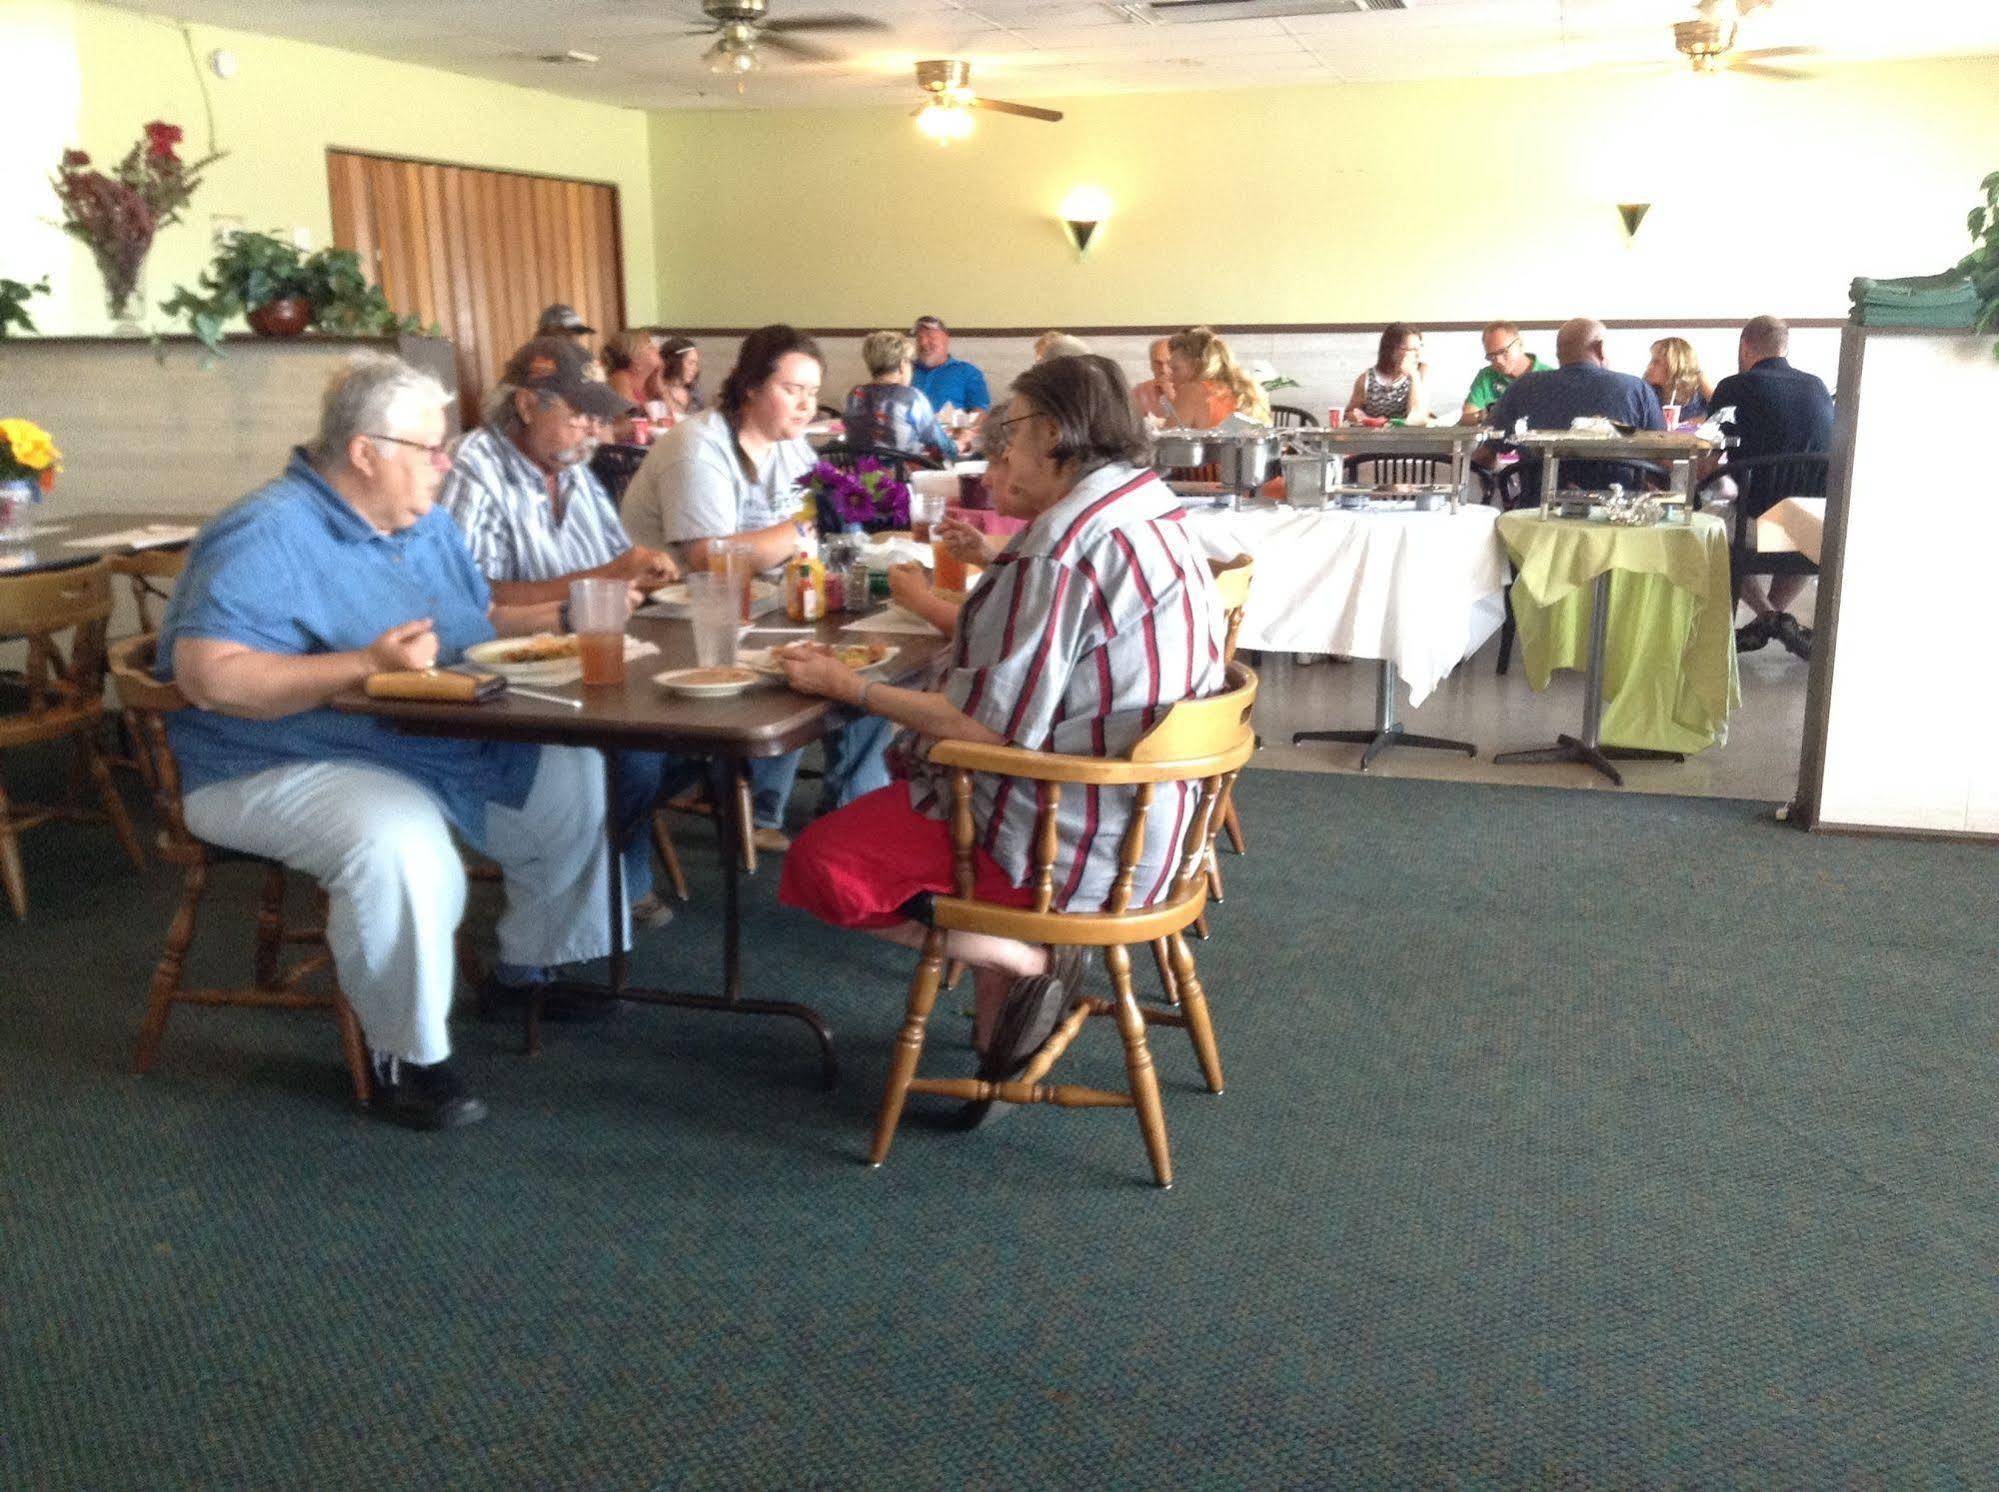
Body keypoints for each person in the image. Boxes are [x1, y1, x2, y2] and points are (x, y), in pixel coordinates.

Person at [155, 354, 624, 1131]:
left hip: (417, 739)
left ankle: (529, 966)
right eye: (431, 450)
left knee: (568, 770)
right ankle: (408, 1054)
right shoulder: (267, 531)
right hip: (271, 759)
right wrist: (366, 664)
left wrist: (568, 619)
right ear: (366, 452)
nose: (448, 463)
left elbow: (471, 627)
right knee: (398, 841)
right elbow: (211, 678)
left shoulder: (424, 523)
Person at [775, 354, 1225, 1127]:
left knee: (820, 863)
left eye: (1005, 432)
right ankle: (1001, 999)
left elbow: (983, 729)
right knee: (914, 799)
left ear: (1053, 433)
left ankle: (1019, 953)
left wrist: (847, 688)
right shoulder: (1146, 507)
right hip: (1159, 820)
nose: (993, 452)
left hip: (1077, 835)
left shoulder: (1061, 545)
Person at [438, 336, 687, 927]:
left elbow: (614, 562)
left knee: (685, 735)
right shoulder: (474, 468)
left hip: (575, 659)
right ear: (527, 404)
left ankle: (602, 872)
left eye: (596, 416)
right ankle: (608, 886)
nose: (593, 430)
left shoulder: (571, 471)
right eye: (578, 415)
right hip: (495, 672)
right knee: (641, 752)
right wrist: (609, 576)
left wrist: (643, 569)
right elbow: (471, 598)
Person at [621, 324, 893, 850]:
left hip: (760, 608)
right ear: (749, 386)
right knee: (802, 664)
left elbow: (830, 521)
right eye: (793, 390)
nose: (806, 405)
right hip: (668, 618)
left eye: (813, 393)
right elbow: (710, 560)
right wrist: (798, 531)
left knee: (874, 670)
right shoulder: (699, 448)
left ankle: (848, 813)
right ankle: (751, 806)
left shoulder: (789, 448)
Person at [1704, 315, 1835, 656]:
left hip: (1758, 526)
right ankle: (1772, 618)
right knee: (1801, 527)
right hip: (1815, 526)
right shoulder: (1818, 386)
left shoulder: (1733, 387)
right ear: (1785, 347)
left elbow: (1709, 458)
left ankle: (1767, 616)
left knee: (1705, 525)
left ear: (1745, 346)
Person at [1479, 317, 1664, 490]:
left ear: (1559, 353)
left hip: (1537, 514)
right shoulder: (1636, 389)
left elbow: (1485, 456)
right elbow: (1663, 460)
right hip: (1618, 514)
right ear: (1600, 348)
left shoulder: (1521, 388)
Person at [843, 330, 959, 466]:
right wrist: (958, 445)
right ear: (902, 366)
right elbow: (941, 445)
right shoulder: (912, 398)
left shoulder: (855, 394)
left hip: (859, 480)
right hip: (900, 480)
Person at [1164, 325, 1270, 428]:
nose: (1170, 377)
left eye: (1175, 369)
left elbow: (1167, 443)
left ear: (1197, 365)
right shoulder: (1250, 389)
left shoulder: (1191, 391)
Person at [1459, 320, 1552, 425]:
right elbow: (1466, 418)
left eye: (1503, 352)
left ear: (1520, 344)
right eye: (1491, 356)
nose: (1498, 360)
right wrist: (1485, 414)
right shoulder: (1486, 376)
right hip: (1496, 440)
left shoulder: (1550, 376)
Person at [908, 315, 991, 422]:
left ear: (946, 339)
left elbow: (980, 413)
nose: (923, 343)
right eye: (919, 338)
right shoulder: (903, 371)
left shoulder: (967, 372)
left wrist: (952, 424)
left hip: (950, 436)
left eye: (930, 337)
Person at [1347, 323, 1430, 425]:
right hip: (1373, 437)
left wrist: (1413, 375)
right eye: (1410, 349)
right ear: (1391, 350)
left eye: (1419, 348)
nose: (1417, 354)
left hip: (1410, 437)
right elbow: (1349, 412)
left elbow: (1417, 416)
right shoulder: (1367, 379)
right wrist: (1358, 417)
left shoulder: (1421, 370)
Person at [1644, 337, 1714, 422]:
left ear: (1674, 365)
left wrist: (1694, 422)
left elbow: (1723, 411)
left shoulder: (1698, 383)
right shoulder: (1648, 390)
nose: (1649, 366)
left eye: (1656, 362)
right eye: (1651, 361)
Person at [603, 329, 663, 422]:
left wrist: (659, 379)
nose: (657, 349)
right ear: (635, 358)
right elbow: (629, 415)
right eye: (650, 347)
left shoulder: (651, 380)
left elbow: (672, 413)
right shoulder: (620, 377)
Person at [651, 334, 703, 424]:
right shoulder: (654, 390)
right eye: (690, 363)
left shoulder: (694, 392)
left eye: (696, 364)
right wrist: (664, 392)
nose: (695, 369)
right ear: (675, 363)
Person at [1133, 337, 1174, 421]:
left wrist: (1172, 398)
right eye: (1158, 363)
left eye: (1169, 363)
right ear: (1151, 365)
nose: (1164, 370)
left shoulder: (1197, 391)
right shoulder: (1139, 391)